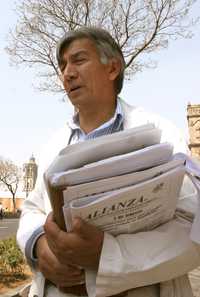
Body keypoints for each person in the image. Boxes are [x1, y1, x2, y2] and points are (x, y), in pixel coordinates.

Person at [17, 27, 200, 297]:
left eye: (78, 60)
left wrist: (107, 255)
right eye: (63, 65)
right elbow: (32, 208)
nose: (67, 73)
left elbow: (192, 227)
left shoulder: (162, 134)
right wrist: (38, 245)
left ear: (112, 68)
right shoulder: (54, 143)